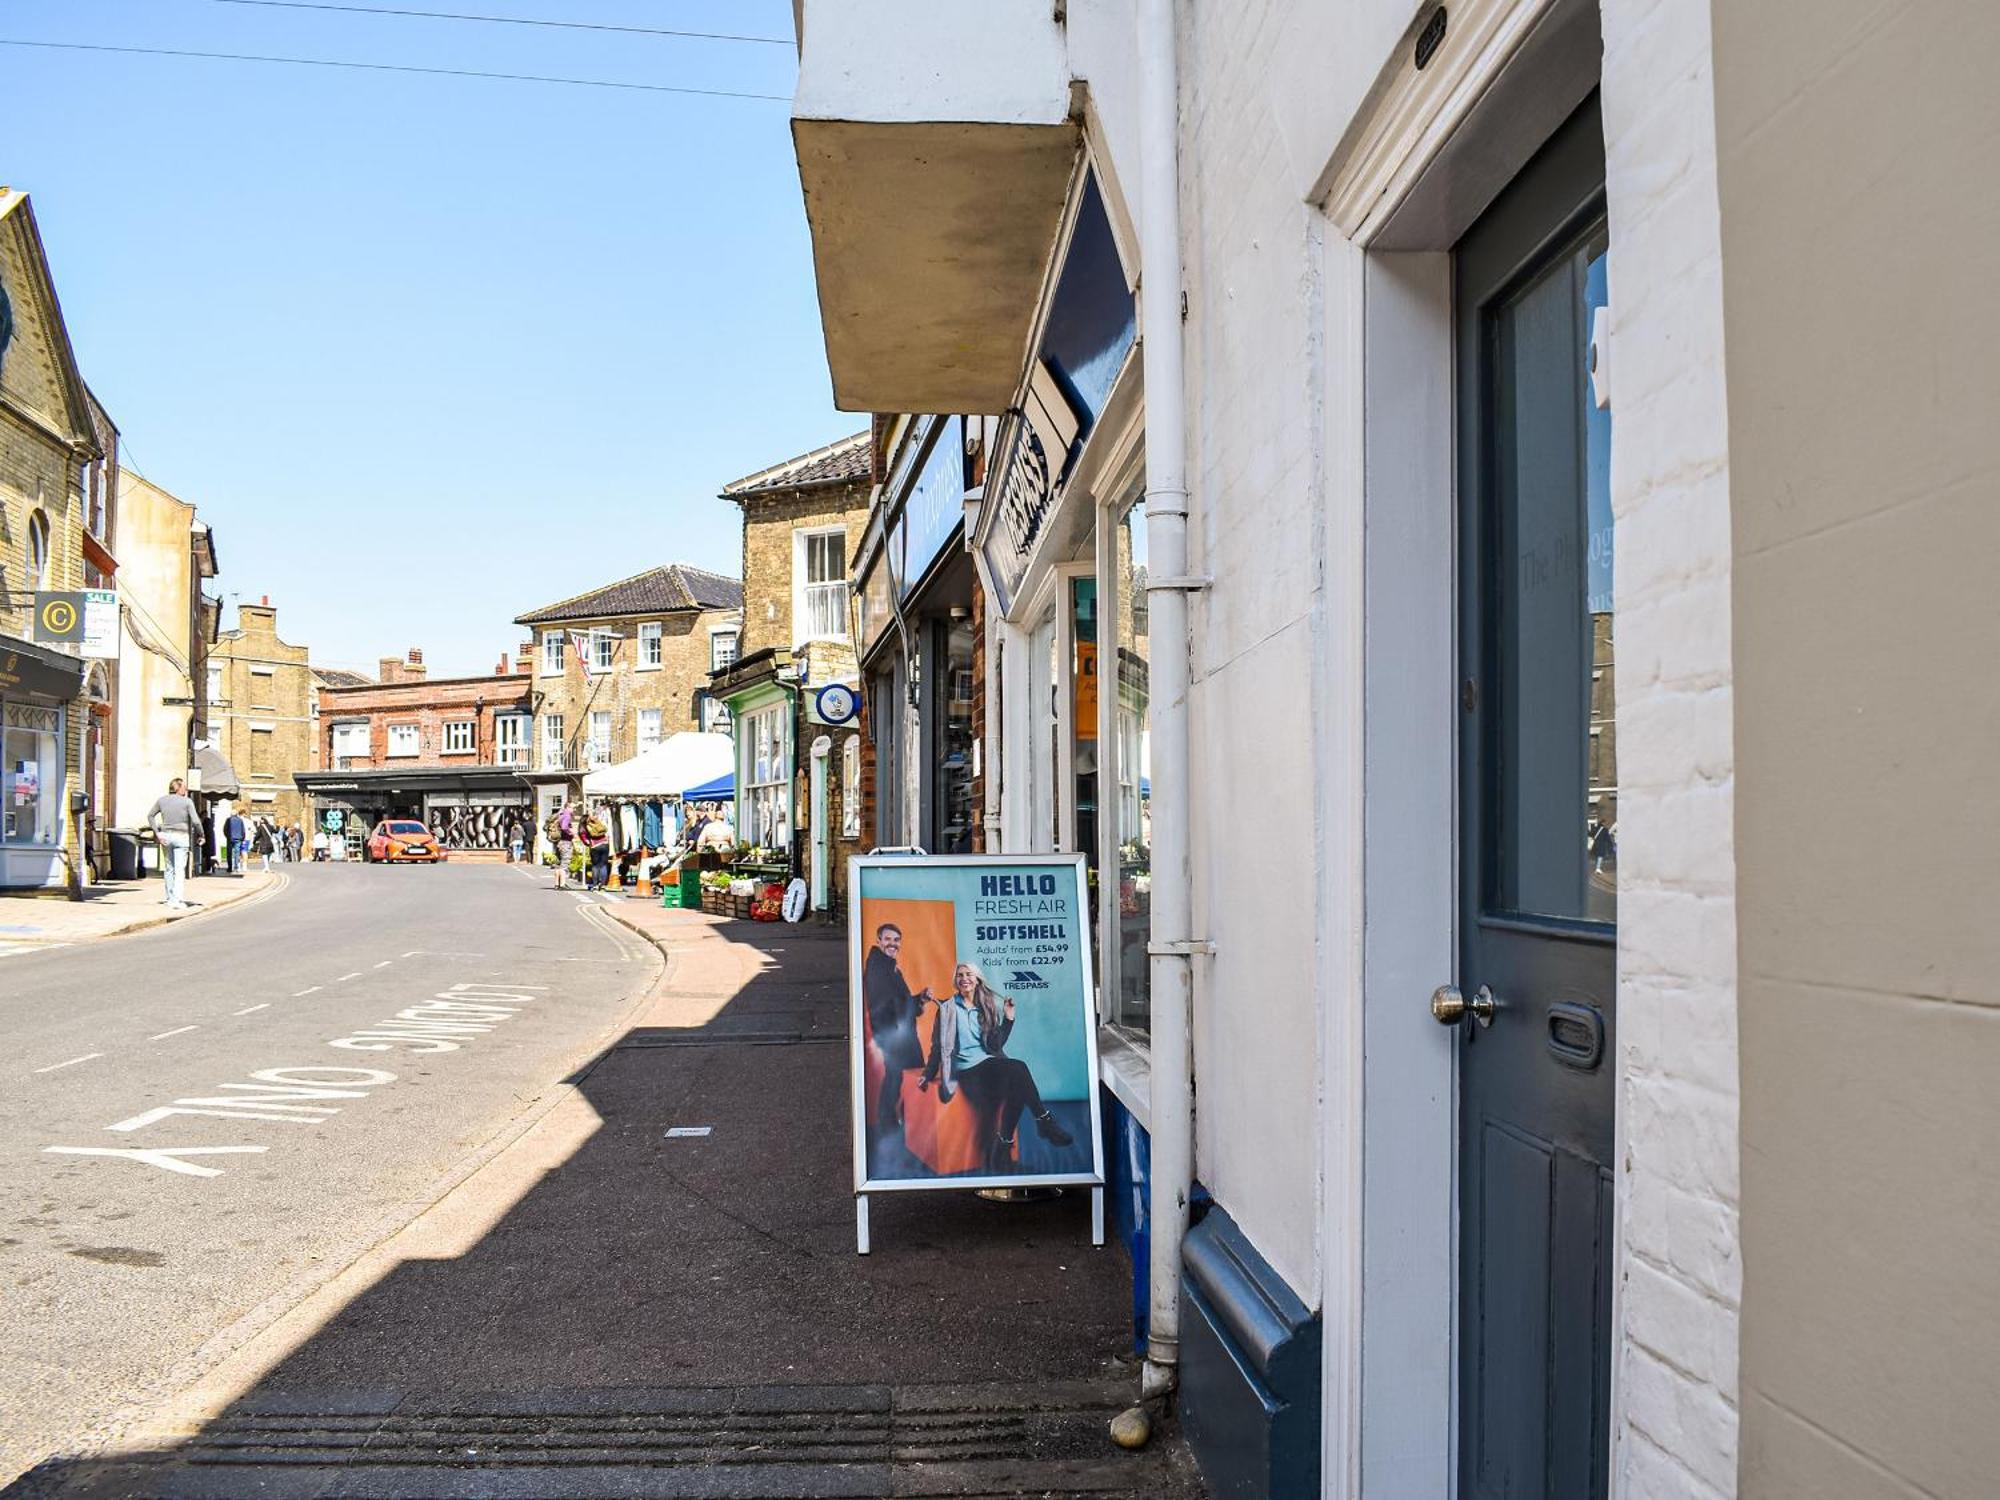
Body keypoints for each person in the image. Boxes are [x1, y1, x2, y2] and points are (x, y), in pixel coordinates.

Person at [922, 963, 1075, 1173]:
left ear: (977, 980)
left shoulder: (985, 1007)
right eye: (960, 975)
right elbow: (938, 1045)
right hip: (967, 1071)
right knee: (1018, 1070)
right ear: (955, 981)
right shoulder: (947, 1009)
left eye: (969, 975)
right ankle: (1043, 1122)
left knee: (1018, 1083)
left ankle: (1004, 1148)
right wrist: (928, 1074)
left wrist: (1009, 1018)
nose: (964, 978)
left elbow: (996, 1046)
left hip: (988, 1064)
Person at [863, 923, 934, 1136]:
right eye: (888, 939)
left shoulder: (888, 967)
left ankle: (897, 1123)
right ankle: (896, 1124)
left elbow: (899, 1001)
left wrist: (919, 998)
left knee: (898, 1077)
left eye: (896, 940)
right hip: (893, 1033)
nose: (892, 944)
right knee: (904, 1076)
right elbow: (890, 1004)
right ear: (878, 941)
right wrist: (917, 1001)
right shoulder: (879, 967)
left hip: (895, 1031)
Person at [146, 777, 201, 910]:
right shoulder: (187, 801)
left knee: (169, 868)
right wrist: (201, 834)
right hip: (181, 836)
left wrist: (157, 833)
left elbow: (150, 816)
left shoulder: (161, 800)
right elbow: (196, 821)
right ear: (178, 788)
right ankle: (178, 900)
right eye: (184, 787)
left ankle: (170, 898)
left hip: (165, 836)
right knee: (179, 869)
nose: (186, 789)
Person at [550, 802, 575, 891]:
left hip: (559, 842)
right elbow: (564, 827)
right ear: (568, 807)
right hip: (566, 842)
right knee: (565, 863)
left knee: (558, 864)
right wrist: (571, 832)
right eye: (572, 808)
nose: (573, 810)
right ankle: (563, 884)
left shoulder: (560, 814)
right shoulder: (567, 816)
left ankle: (557, 884)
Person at [584, 807, 611, 890]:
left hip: (594, 845)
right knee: (603, 865)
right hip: (605, 844)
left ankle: (595, 884)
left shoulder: (587, 825)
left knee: (595, 866)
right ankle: (602, 884)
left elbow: (585, 835)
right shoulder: (600, 823)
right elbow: (605, 830)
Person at [223, 809, 246, 876]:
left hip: (230, 838)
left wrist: (227, 836)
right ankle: (236, 867)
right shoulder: (240, 820)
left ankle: (230, 867)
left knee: (229, 853)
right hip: (238, 838)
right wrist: (242, 838)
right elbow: (243, 830)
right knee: (237, 853)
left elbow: (225, 829)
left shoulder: (228, 820)